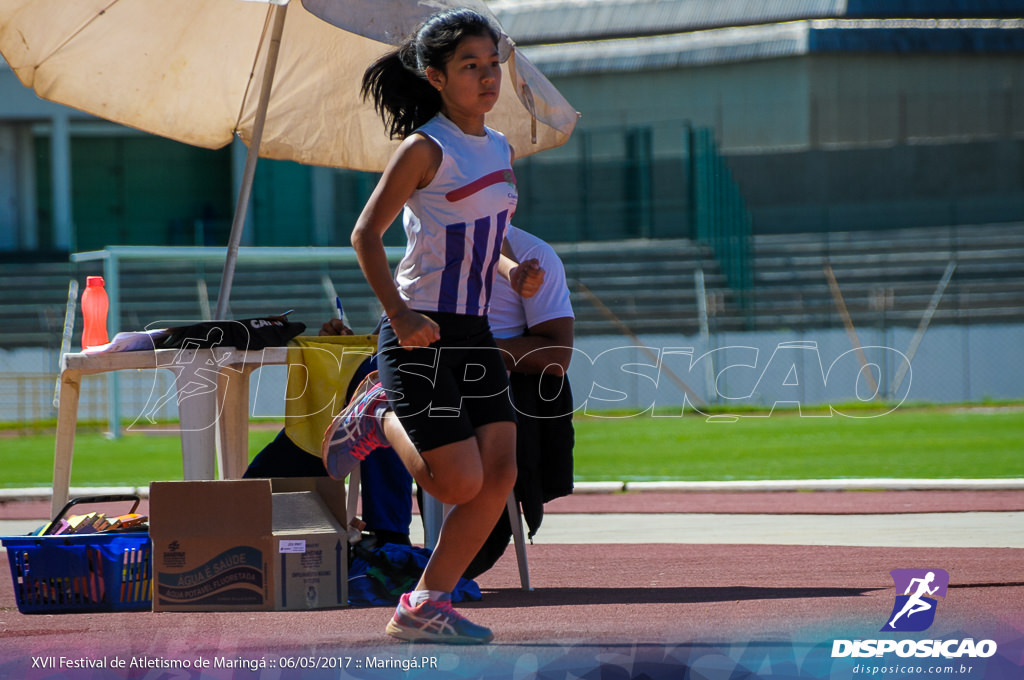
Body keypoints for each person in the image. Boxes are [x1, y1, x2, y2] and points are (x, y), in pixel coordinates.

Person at [322, 8, 544, 645]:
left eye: (491, 63)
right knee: (456, 481)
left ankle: (424, 603)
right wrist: (398, 313)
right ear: (436, 77)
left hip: (473, 330)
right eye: (469, 66)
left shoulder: (499, 146)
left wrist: (512, 272)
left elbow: (483, 235)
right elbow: (366, 234)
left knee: (500, 475)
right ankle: (376, 414)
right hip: (419, 328)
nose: (486, 76)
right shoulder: (425, 147)